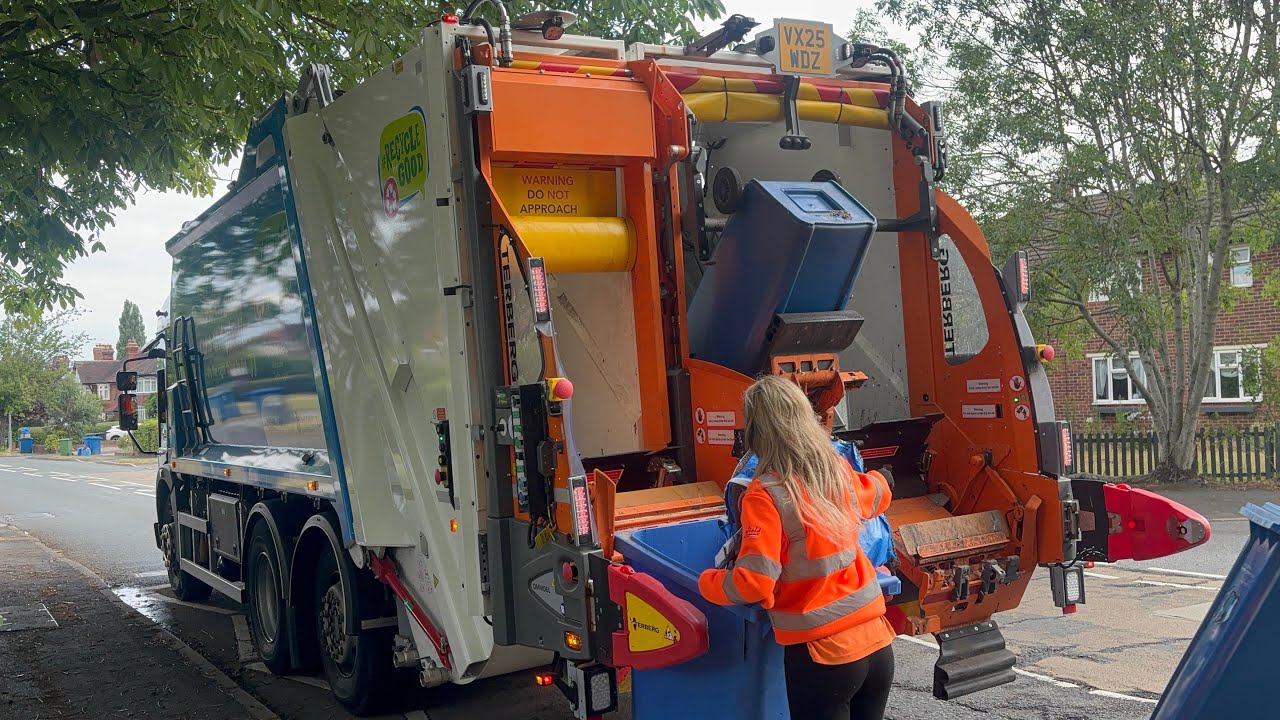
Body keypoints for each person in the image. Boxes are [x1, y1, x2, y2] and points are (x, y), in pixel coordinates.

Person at [698, 375, 895, 720]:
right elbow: (876, 496)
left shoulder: (766, 494)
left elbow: (754, 582)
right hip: (876, 645)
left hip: (825, 657)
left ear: (757, 430)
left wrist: (708, 583)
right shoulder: (834, 470)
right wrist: (882, 478)